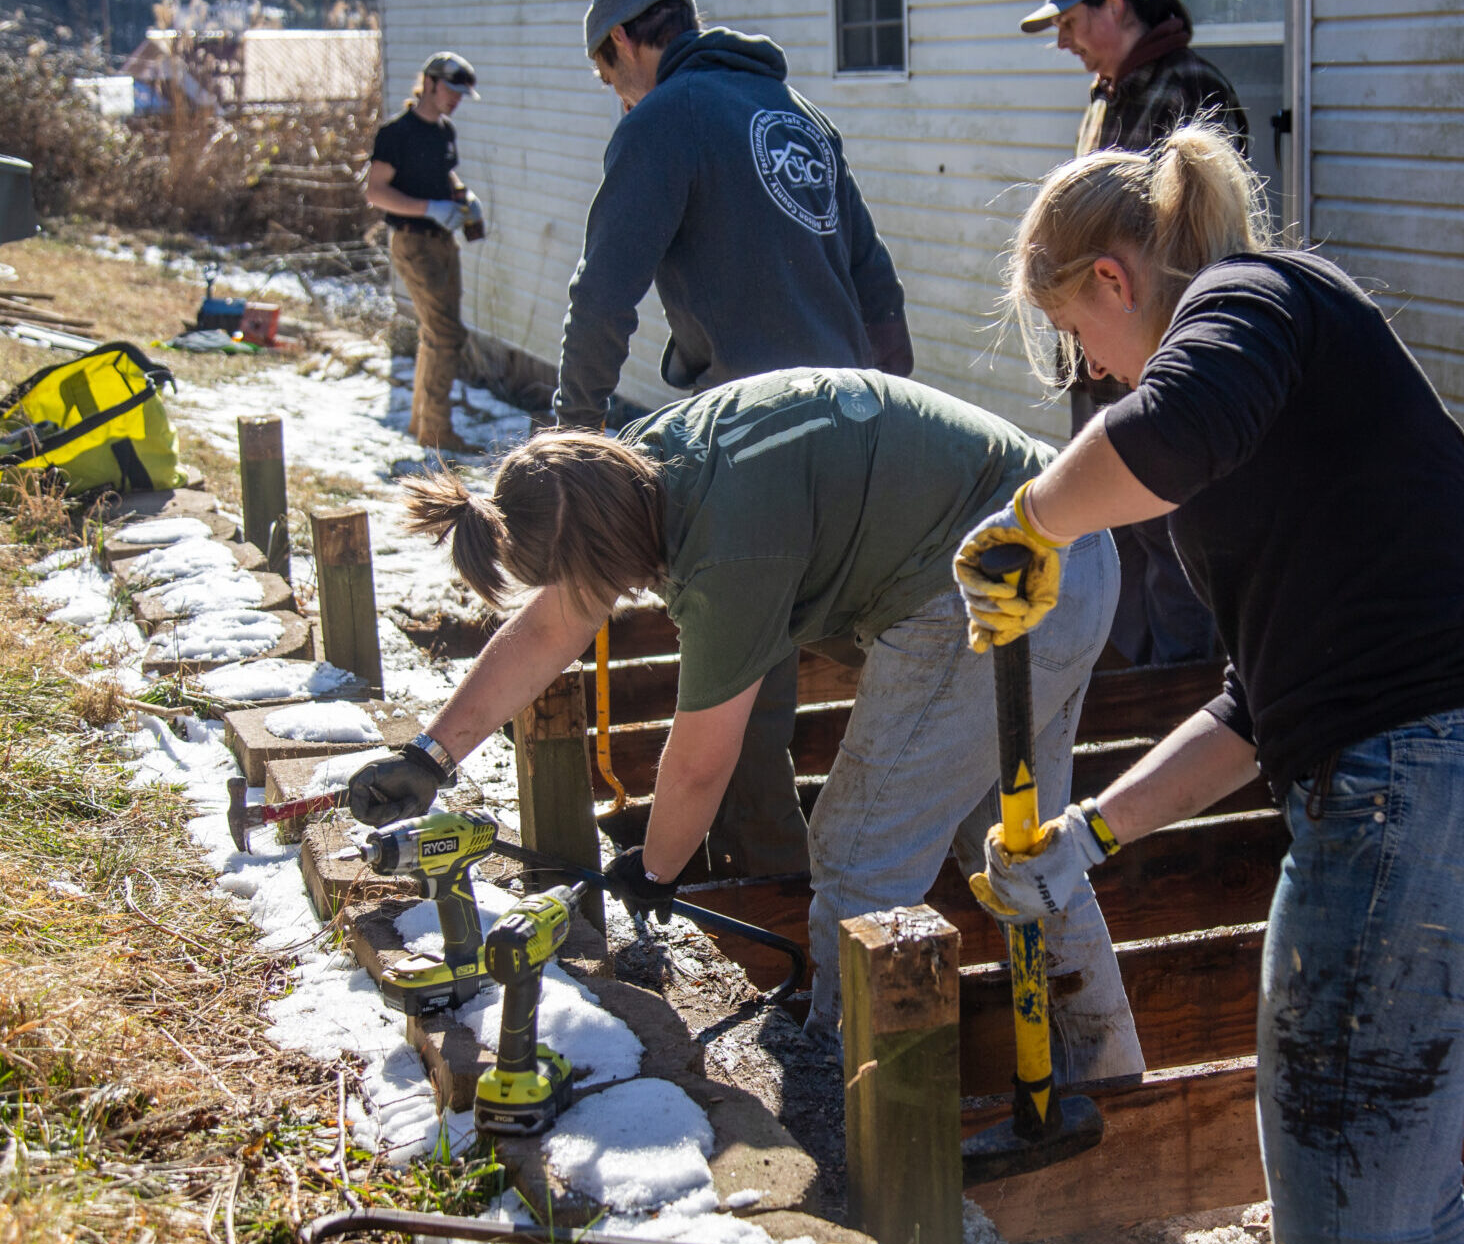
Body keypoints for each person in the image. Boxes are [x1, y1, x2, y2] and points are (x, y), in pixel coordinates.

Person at [956, 127, 1464, 1244]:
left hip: (1420, 796)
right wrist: (1091, 833)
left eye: (1078, 338)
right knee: (1408, 1210)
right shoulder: (1284, 388)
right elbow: (1263, 703)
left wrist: (1031, 520)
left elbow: (1167, 430)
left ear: (1114, 278)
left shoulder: (1250, 294)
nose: (1090, 373)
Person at [345, 370, 1145, 1082]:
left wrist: (656, 870)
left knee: (859, 850)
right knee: (1023, 850)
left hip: (1000, 576)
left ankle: (847, 1090)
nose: (585, 599)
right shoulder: (633, 470)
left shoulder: (725, 552)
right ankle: (1104, 1064)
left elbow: (700, 762)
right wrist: (432, 752)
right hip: (1064, 549)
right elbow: (552, 625)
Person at [556, 0, 917, 875]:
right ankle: (955, 834)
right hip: (861, 423)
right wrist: (894, 410)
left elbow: (603, 295)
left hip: (760, 437)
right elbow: (878, 289)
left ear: (629, 41)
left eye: (609, 74)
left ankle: (766, 879)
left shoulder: (666, 121)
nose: (616, 95)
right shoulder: (799, 118)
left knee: (742, 663)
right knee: (892, 640)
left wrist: (572, 435)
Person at [1022, 0, 1247, 666]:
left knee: (1174, 538)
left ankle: (1176, 697)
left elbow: (1201, 249)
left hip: (1161, 367)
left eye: (1069, 21)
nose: (1063, 40)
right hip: (1099, 364)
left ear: (1115, 6)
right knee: (1109, 534)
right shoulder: (1106, 93)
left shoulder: (1193, 87)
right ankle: (1124, 686)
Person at [365, 51, 490, 453]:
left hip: (443, 242)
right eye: (451, 90)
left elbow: (441, 173)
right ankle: (437, 432)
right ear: (430, 83)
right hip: (413, 241)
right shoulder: (396, 133)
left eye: (461, 93)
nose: (455, 99)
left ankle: (422, 422)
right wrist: (429, 208)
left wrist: (461, 196)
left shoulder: (444, 132)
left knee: (435, 333)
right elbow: (376, 190)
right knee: (447, 334)